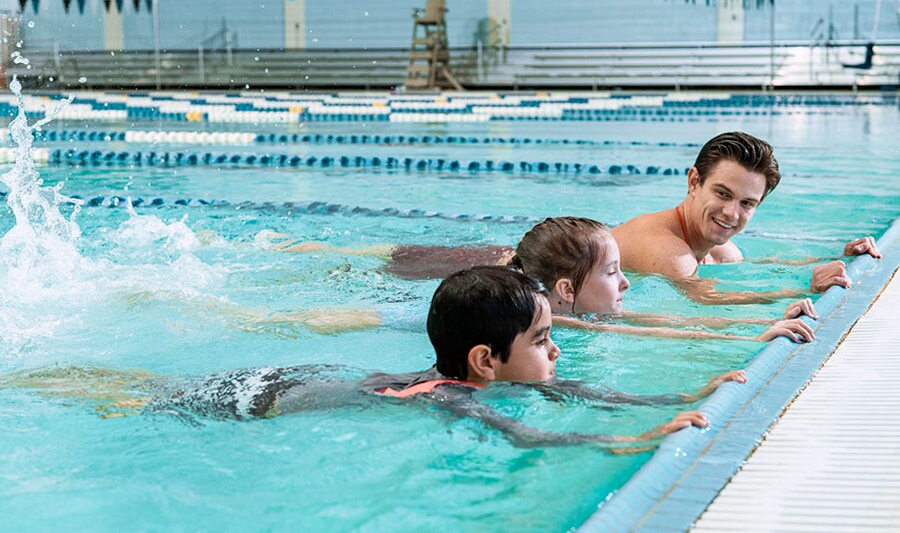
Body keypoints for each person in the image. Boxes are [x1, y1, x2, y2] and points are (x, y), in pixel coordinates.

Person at [8, 267, 726, 450]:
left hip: (304, 376)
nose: (555, 351)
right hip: (259, 397)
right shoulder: (452, 397)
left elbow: (574, 393)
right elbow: (532, 434)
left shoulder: (480, 374)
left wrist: (693, 390)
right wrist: (632, 442)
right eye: (541, 341)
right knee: (129, 396)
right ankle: (38, 379)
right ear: (485, 360)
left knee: (139, 386)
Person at [611, 131, 882, 304]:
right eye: (722, 194)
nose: (732, 213)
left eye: (747, 203)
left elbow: (767, 265)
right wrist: (806, 290)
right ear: (694, 182)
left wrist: (843, 256)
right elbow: (707, 302)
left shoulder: (720, 250)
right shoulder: (665, 248)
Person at [510, 216, 817, 343]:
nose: (626, 282)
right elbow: (658, 332)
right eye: (611, 271)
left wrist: (765, 320)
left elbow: (668, 321)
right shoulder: (555, 321)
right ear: (566, 289)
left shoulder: (576, 305)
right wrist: (747, 340)